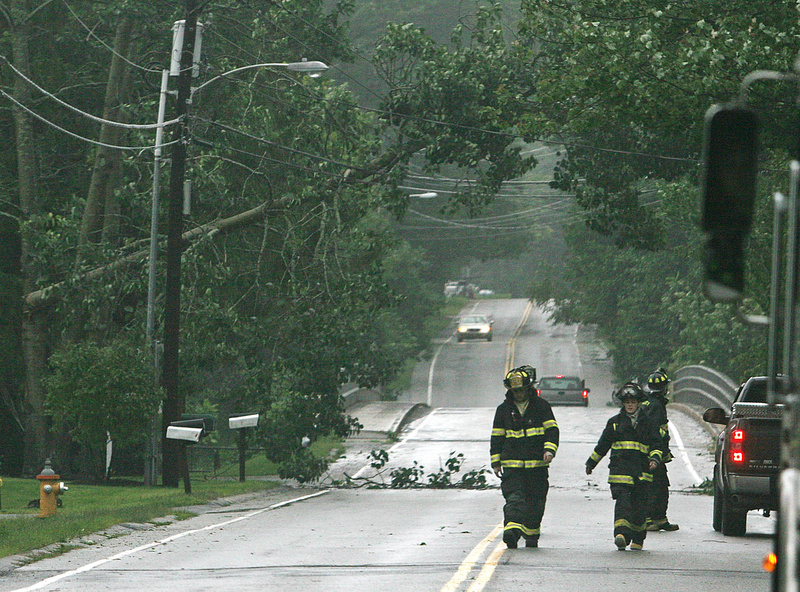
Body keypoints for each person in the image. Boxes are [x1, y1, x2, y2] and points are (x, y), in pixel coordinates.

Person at [585, 382, 663, 551]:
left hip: (642, 473)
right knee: (623, 502)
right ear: (623, 403)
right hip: (620, 472)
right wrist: (591, 463)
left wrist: (655, 460)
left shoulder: (648, 424)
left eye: (633, 402)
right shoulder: (614, 423)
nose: (630, 405)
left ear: (638, 403)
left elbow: (657, 445)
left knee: (639, 507)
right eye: (627, 402)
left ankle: (637, 539)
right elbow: (602, 446)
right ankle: (621, 534)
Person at [491, 365, 559, 549]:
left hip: (537, 466)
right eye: (515, 391)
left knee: (536, 502)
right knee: (514, 498)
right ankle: (511, 531)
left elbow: (552, 431)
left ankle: (531, 535)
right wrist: (496, 462)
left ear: (528, 388)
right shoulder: (503, 410)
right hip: (512, 467)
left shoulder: (541, 407)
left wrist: (549, 451)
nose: (519, 394)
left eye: (521, 390)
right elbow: (497, 437)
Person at [642, 367, 679, 531]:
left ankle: (659, 519)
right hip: (653, 453)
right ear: (664, 388)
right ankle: (648, 519)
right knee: (655, 487)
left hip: (653, 452)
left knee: (661, 486)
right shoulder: (656, 405)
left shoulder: (649, 402)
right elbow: (655, 430)